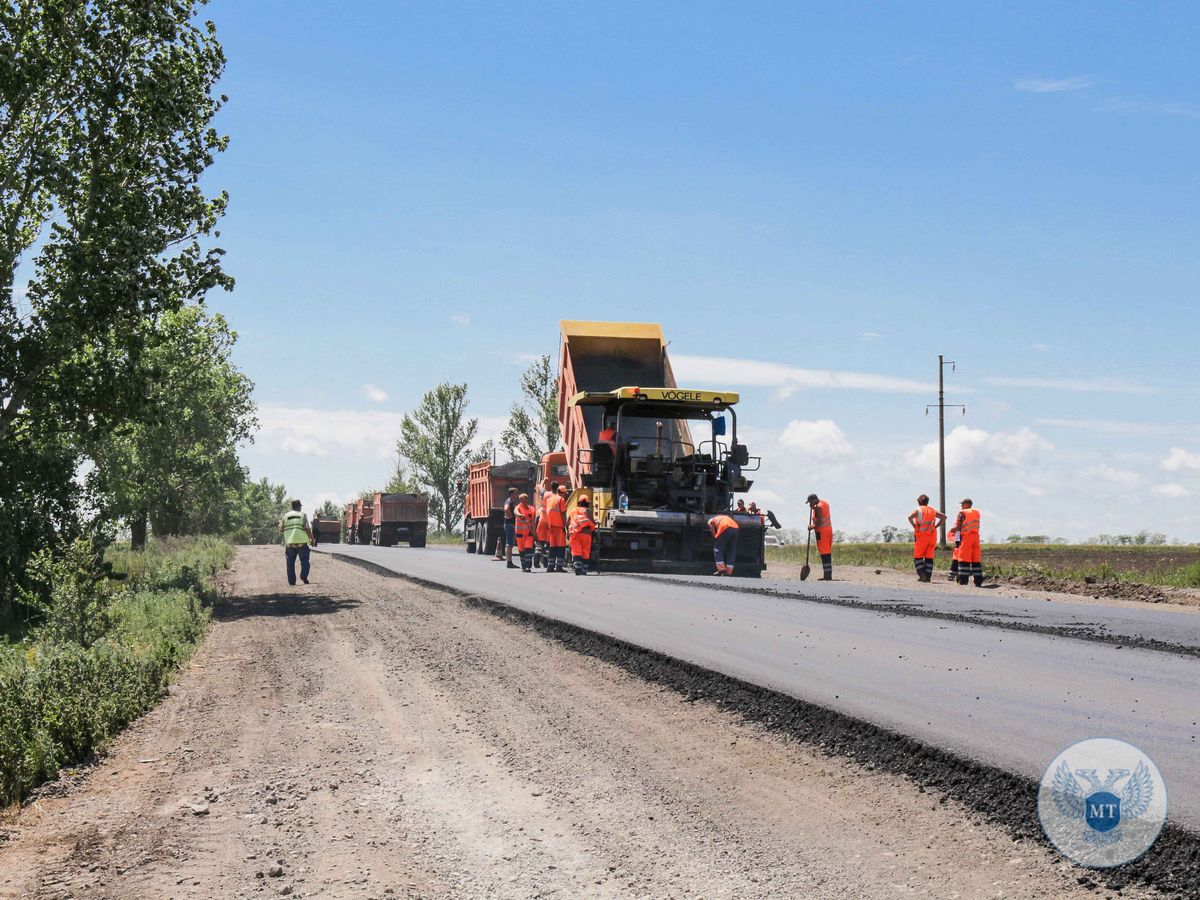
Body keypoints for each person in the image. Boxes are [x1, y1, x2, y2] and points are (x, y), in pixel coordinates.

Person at [907, 494, 947, 583]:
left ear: (918, 502)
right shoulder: (932, 510)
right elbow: (944, 517)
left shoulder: (918, 510)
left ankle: (922, 575)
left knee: (918, 557)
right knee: (929, 557)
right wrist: (936, 526)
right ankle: (928, 577)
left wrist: (914, 526)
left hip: (921, 537)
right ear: (927, 502)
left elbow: (910, 517)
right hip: (932, 537)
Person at [279, 500, 314, 586]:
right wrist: (311, 539)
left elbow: (281, 529)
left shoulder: (285, 516)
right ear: (299, 507)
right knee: (305, 560)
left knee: (290, 562)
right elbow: (307, 528)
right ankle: (303, 575)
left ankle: (292, 582)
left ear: (292, 507)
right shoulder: (303, 515)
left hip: (290, 543)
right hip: (301, 542)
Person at [952, 498, 984, 586]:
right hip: (976, 537)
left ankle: (963, 580)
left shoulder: (962, 513)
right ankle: (978, 581)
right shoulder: (977, 512)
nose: (961, 506)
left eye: (962, 504)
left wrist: (957, 538)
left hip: (966, 537)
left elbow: (959, 525)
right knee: (976, 560)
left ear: (967, 504)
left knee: (964, 559)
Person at [806, 494, 833, 580]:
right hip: (828, 530)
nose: (809, 504)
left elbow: (820, 522)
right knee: (827, 552)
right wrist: (814, 508)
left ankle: (827, 576)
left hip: (822, 532)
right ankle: (828, 574)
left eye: (810, 502)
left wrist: (811, 527)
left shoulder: (818, 507)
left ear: (814, 500)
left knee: (824, 553)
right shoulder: (825, 503)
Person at [568, 496, 596, 575]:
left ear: (579, 503)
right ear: (587, 503)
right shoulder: (588, 511)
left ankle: (577, 567)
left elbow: (567, 522)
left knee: (576, 551)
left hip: (575, 534)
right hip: (586, 534)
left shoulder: (573, 511)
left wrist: (568, 532)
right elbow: (592, 522)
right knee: (585, 552)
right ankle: (584, 569)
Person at [544, 485, 568, 572]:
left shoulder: (550, 499)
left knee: (552, 547)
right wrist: (566, 525)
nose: (565, 495)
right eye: (565, 493)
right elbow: (563, 513)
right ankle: (559, 566)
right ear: (562, 493)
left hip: (551, 526)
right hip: (559, 526)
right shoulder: (561, 500)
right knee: (561, 547)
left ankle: (550, 566)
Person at [513, 492, 538, 572]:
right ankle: (523, 566)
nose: (523, 502)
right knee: (521, 550)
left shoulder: (532, 509)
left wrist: (534, 533)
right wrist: (520, 515)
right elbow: (515, 512)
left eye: (524, 500)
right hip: (519, 534)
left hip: (529, 533)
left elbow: (533, 522)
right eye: (521, 500)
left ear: (527, 500)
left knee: (528, 549)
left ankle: (528, 566)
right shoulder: (518, 507)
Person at [496, 486, 519, 567]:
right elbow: (506, 509)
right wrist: (511, 515)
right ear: (511, 494)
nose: (517, 495)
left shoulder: (511, 501)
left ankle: (509, 562)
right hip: (509, 524)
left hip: (510, 524)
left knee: (510, 543)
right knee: (509, 543)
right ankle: (509, 562)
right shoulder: (509, 501)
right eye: (516, 493)